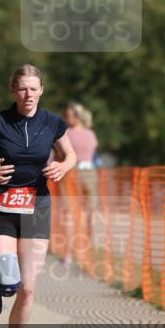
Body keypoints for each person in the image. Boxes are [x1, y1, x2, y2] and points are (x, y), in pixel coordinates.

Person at [0, 64, 77, 328]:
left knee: (27, 288)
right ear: (13, 90)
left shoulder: (53, 123)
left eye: (33, 88)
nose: (28, 94)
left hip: (36, 207)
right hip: (2, 205)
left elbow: (70, 155)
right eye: (22, 88)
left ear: (41, 90)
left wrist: (62, 166)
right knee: (9, 283)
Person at [61, 102, 99, 266]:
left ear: (76, 117)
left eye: (68, 116)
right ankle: (86, 251)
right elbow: (93, 153)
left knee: (69, 214)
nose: (65, 118)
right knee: (89, 213)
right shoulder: (91, 134)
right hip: (90, 172)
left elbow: (60, 155)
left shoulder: (66, 134)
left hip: (71, 174)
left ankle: (69, 254)